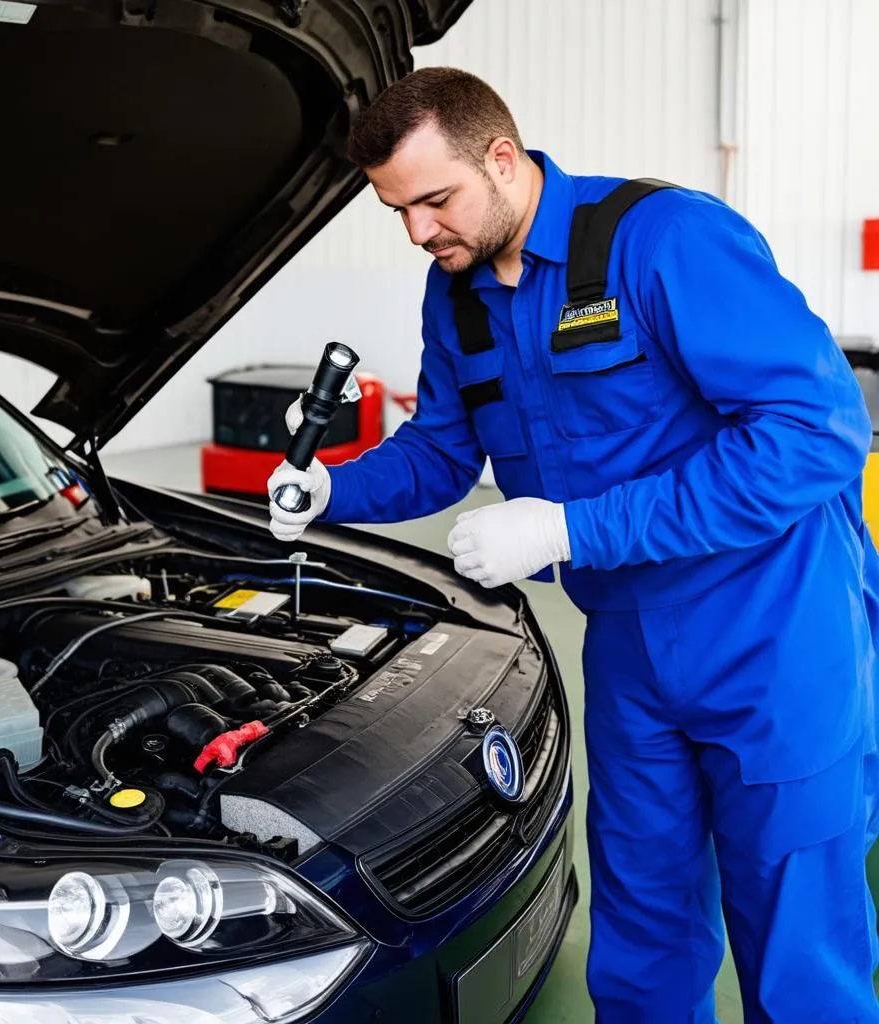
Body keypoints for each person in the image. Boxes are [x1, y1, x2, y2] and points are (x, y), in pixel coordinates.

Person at [266, 67, 879, 1022]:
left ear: (502, 159)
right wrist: (334, 488)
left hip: (775, 628)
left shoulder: (663, 242)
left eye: (435, 200)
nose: (421, 232)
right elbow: (439, 450)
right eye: (399, 212)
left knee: (799, 935)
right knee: (641, 919)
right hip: (630, 645)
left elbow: (816, 430)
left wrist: (572, 527)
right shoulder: (458, 294)